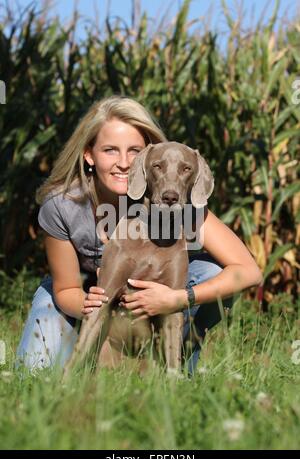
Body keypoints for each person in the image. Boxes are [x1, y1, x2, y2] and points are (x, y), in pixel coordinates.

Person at [16, 95, 262, 375]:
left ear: (147, 155)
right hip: (80, 301)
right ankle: (88, 358)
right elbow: (65, 289)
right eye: (110, 150)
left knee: (208, 271)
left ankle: (179, 363)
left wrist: (180, 299)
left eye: (134, 150)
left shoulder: (172, 199)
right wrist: (96, 303)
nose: (124, 163)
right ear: (89, 154)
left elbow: (249, 272)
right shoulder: (62, 206)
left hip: (160, 308)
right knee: (33, 375)